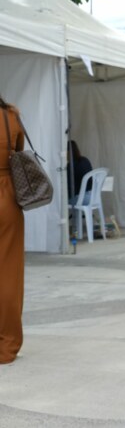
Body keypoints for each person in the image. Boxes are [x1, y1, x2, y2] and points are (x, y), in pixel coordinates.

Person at [0, 95, 25, 364]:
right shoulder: (11, 116)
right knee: (8, 273)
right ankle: (7, 347)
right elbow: (18, 152)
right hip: (7, 197)